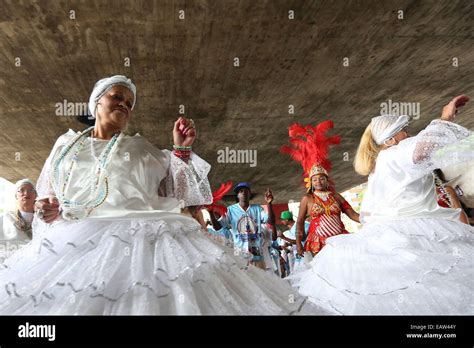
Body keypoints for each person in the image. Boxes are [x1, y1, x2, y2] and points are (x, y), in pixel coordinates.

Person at [0, 75, 323, 315]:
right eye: (116, 97)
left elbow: (177, 191)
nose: (124, 104)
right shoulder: (67, 144)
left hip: (152, 234)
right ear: (96, 102)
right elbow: (50, 193)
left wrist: (181, 149)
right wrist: (50, 209)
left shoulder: (140, 147)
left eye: (129, 102)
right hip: (79, 237)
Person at [289, 95, 474, 315]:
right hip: (413, 231)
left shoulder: (380, 166)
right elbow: (423, 149)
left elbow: (366, 212)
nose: (409, 133)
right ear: (389, 139)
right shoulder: (396, 153)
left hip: (393, 230)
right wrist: (445, 117)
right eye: (404, 129)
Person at [280, 120, 360, 258]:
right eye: (315, 179)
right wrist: (299, 244)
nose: (318, 181)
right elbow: (299, 223)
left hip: (340, 240)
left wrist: (371, 218)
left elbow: (352, 214)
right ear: (310, 182)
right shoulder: (308, 199)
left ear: (327, 180)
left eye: (321, 178)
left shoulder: (336, 196)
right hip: (318, 244)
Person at [207, 182, 277, 271]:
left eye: (246, 191)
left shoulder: (257, 209)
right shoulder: (231, 210)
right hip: (239, 254)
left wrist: (269, 204)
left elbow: (271, 221)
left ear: (249, 194)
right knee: (243, 282)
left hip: (257, 254)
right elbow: (218, 227)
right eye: (240, 191)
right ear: (238, 195)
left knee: (260, 283)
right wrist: (210, 212)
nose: (243, 192)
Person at [0, 179, 37, 262]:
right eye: (21, 190)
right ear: (16, 196)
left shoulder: (43, 218)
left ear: (35, 195)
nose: (26, 193)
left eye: (30, 190)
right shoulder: (4, 219)